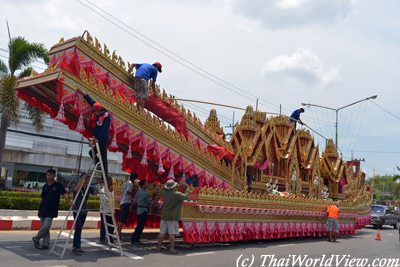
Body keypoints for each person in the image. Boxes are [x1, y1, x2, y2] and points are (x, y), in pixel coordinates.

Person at [32, 169, 71, 249]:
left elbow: (64, 194)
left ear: (54, 176)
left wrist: (69, 202)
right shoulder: (45, 186)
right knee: (44, 227)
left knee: (46, 226)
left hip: (51, 209)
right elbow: (42, 198)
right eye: (48, 175)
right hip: (43, 209)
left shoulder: (58, 185)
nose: (49, 177)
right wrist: (39, 207)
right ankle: (46, 243)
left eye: (51, 175)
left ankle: (36, 238)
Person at [79, 89, 111, 177]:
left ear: (100, 111)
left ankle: (105, 176)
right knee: (92, 152)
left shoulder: (106, 117)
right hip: (97, 138)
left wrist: (97, 139)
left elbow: (103, 130)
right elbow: (92, 102)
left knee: (103, 158)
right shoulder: (98, 111)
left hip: (103, 140)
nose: (95, 114)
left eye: (96, 112)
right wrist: (84, 94)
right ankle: (99, 165)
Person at [157, 179, 189, 254]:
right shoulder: (176, 194)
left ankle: (158, 246)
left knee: (162, 232)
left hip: (164, 215)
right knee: (172, 233)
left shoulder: (164, 192)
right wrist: (187, 188)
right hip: (172, 216)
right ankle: (172, 249)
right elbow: (186, 197)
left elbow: (160, 191)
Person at [71, 173, 93, 255]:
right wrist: (83, 177)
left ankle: (75, 246)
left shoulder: (87, 188)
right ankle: (77, 247)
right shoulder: (78, 187)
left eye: (88, 178)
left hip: (84, 210)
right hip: (77, 210)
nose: (87, 180)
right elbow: (76, 190)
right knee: (78, 228)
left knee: (79, 229)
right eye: (86, 178)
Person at [117, 173, 137, 238]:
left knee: (120, 220)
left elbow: (122, 191)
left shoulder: (125, 183)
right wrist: (134, 192)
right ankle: (119, 234)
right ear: (135, 179)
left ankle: (117, 233)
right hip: (126, 203)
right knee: (122, 220)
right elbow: (128, 192)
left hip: (122, 202)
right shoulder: (130, 183)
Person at [131, 180, 150, 244]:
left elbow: (135, 200)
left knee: (139, 225)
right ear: (143, 185)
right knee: (140, 226)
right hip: (144, 210)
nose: (147, 185)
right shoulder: (145, 193)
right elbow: (148, 202)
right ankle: (136, 239)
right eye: (146, 184)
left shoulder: (138, 192)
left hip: (139, 210)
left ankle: (134, 238)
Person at [99, 177, 116, 243]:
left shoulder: (111, 190)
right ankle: (102, 238)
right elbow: (104, 200)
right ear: (107, 182)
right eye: (110, 181)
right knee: (104, 225)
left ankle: (110, 237)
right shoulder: (103, 190)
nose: (112, 183)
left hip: (111, 210)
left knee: (111, 225)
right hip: (105, 210)